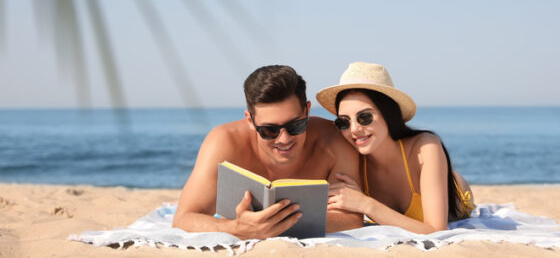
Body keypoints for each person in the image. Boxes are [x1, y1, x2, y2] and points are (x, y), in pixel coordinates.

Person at [173, 65, 363, 239]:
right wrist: (236, 227)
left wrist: (271, 225)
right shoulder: (223, 142)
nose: (284, 139)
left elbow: (351, 220)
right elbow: (183, 219)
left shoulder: (334, 141)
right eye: (269, 130)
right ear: (250, 121)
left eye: (295, 125)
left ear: (307, 111)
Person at [317, 62, 475, 234]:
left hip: (457, 194)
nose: (354, 129)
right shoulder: (351, 158)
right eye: (344, 122)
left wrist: (365, 204)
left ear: (387, 113)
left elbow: (436, 229)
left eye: (364, 117)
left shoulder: (425, 147)